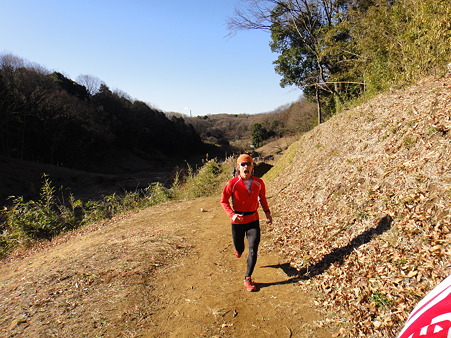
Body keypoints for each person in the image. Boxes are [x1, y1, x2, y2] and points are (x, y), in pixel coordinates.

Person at [220, 154, 272, 291]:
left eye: (248, 164)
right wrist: (232, 215)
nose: (246, 167)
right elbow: (223, 201)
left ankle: (248, 278)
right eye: (242, 164)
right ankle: (237, 249)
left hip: (253, 220)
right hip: (238, 221)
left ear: (253, 166)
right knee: (240, 249)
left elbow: (262, 198)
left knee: (253, 249)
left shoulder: (259, 183)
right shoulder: (232, 184)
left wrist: (267, 213)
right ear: (238, 168)